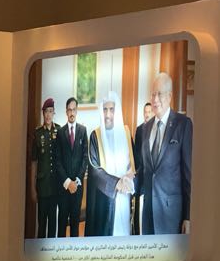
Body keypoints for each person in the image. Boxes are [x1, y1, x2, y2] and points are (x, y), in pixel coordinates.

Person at [137, 72, 192, 235]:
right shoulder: (145, 128)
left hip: (171, 216)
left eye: (159, 94)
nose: (155, 99)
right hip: (148, 214)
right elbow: (144, 169)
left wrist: (188, 216)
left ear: (169, 96)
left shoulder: (183, 125)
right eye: (153, 94)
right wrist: (127, 181)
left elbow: (189, 175)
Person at [88, 92, 135, 236]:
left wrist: (130, 178)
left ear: (117, 111)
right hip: (105, 199)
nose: (107, 115)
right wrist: (116, 183)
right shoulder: (95, 135)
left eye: (111, 109)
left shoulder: (126, 133)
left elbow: (135, 164)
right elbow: (95, 170)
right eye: (105, 109)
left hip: (125, 197)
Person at [54, 97, 88, 237]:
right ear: (66, 112)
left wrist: (77, 180)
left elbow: (85, 158)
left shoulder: (83, 131)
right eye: (69, 110)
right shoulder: (60, 133)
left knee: (75, 225)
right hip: (63, 187)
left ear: (77, 111)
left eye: (74, 110)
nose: (72, 113)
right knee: (62, 224)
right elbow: (57, 160)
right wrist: (68, 183)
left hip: (77, 188)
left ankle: (74, 250)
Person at [31, 97, 59, 239]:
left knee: (53, 223)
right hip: (42, 187)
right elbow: (34, 162)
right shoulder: (37, 133)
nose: (48, 115)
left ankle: (51, 250)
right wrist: (32, 188)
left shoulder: (59, 131)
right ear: (43, 113)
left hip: (55, 186)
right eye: (46, 111)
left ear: (54, 113)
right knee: (41, 223)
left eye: (50, 111)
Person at [132, 102, 153, 176]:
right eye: (145, 112)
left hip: (152, 167)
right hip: (141, 167)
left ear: (152, 113)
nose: (147, 114)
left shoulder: (156, 128)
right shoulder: (139, 129)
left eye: (149, 112)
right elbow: (136, 150)